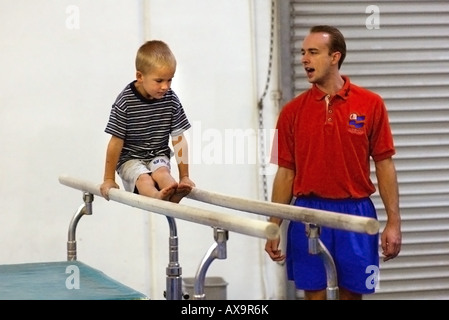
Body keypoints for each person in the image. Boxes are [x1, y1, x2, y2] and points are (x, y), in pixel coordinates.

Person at [265, 25, 401, 300]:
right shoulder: (290, 112)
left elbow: (385, 165)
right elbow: (285, 173)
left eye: (313, 52)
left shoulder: (371, 104)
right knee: (314, 295)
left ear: (335, 57)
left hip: (355, 211)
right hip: (307, 212)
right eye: (303, 52)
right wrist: (273, 225)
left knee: (352, 296)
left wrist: (394, 223)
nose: (304, 59)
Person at [100, 40, 195, 203]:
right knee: (144, 179)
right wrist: (108, 178)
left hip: (157, 154)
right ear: (140, 76)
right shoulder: (125, 102)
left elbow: (179, 139)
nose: (165, 87)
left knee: (163, 173)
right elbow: (115, 142)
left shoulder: (171, 100)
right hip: (129, 158)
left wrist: (185, 176)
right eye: (159, 81)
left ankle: (173, 193)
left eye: (169, 80)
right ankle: (157, 196)